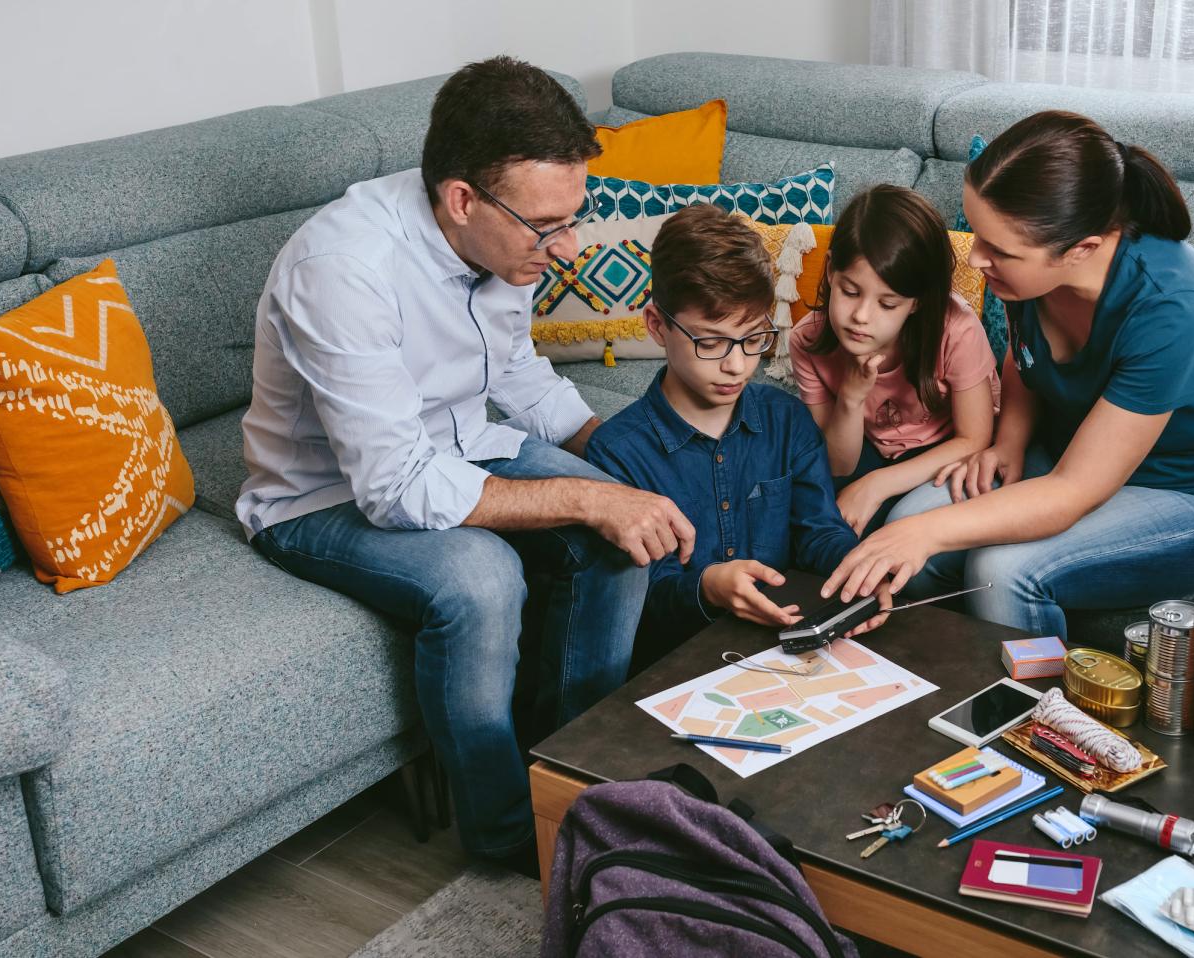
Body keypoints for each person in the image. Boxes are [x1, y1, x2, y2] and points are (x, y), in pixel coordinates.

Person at [235, 57, 694, 866]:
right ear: (461, 200)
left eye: (573, 218)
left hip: (459, 444)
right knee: (483, 579)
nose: (566, 247)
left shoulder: (504, 243)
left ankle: (572, 788)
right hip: (320, 498)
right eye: (547, 226)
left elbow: (515, 372)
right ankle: (508, 837)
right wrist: (591, 500)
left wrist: (625, 469)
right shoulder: (343, 269)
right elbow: (395, 485)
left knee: (622, 534)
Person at [822, 110, 1194, 639]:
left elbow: (1073, 490)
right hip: (1067, 456)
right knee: (906, 522)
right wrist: (1009, 441)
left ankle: (1030, 695)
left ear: (1081, 249)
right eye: (979, 237)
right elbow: (1024, 358)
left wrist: (927, 533)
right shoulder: (1024, 276)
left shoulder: (1172, 303)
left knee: (1001, 572)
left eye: (998, 250)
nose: (977, 261)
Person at [586, 204, 890, 666]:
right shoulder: (615, 453)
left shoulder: (787, 420)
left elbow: (819, 531)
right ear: (657, 326)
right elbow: (633, 602)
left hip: (781, 652)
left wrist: (860, 570)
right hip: (673, 666)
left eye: (752, 339)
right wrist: (707, 587)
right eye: (710, 343)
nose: (737, 365)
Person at [789, 185, 998, 534]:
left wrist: (876, 486)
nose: (861, 316)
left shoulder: (956, 329)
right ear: (830, 272)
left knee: (891, 528)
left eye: (887, 304)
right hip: (862, 448)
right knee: (809, 518)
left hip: (943, 449)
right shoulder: (806, 340)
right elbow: (838, 466)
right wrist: (851, 398)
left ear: (916, 302)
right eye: (850, 291)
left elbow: (975, 439)